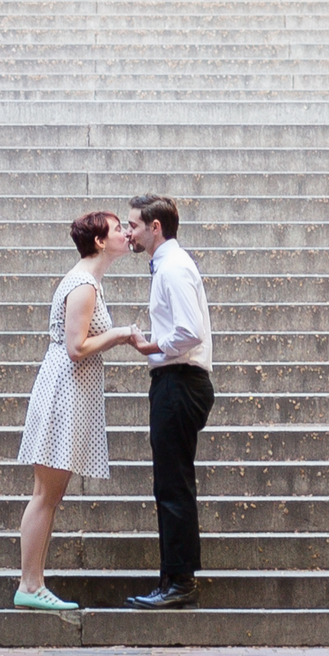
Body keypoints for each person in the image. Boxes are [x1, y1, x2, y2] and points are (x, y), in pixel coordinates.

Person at [13, 208, 146, 613]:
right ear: (101, 241)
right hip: (63, 393)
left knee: (48, 495)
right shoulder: (84, 284)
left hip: (66, 391)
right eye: (118, 229)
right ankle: (30, 585)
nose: (126, 233)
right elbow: (76, 348)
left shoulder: (88, 282)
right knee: (45, 496)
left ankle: (32, 583)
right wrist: (120, 334)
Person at [123, 193, 214, 608]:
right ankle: (174, 578)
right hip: (177, 381)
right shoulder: (170, 265)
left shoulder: (173, 268)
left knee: (173, 485)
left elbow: (190, 331)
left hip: (179, 381)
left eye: (134, 226)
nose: (128, 233)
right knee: (171, 483)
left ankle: (179, 582)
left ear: (154, 227)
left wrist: (151, 347)